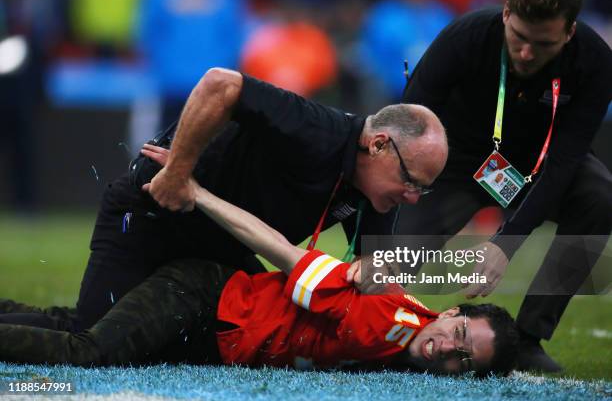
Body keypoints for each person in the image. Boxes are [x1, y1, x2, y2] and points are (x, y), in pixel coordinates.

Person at [0, 145, 517, 376]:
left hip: (217, 328)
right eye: (462, 338)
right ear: (451, 314)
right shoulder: (386, 319)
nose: (450, 352)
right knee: (91, 352)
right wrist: (199, 194)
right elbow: (284, 253)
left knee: (76, 325)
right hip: (204, 301)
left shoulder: (409, 332)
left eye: (465, 362)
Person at [16, 68, 446, 335]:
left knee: (245, 331)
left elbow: (383, 279)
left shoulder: (375, 193)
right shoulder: (319, 129)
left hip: (219, 245)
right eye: (411, 180)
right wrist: (178, 172)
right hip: (153, 211)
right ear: (378, 145)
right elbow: (220, 84)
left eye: (422, 189)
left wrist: (380, 270)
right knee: (90, 333)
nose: (412, 196)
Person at [397, 0, 612, 372]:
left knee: (599, 196)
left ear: (569, 32)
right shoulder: (465, 37)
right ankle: (384, 323)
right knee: (394, 252)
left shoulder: (594, 60)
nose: (527, 53)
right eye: (519, 38)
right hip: (455, 161)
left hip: (540, 166)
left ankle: (528, 338)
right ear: (506, 14)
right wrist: (403, 186)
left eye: (543, 43)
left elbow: (565, 162)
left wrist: (506, 244)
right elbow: (410, 115)